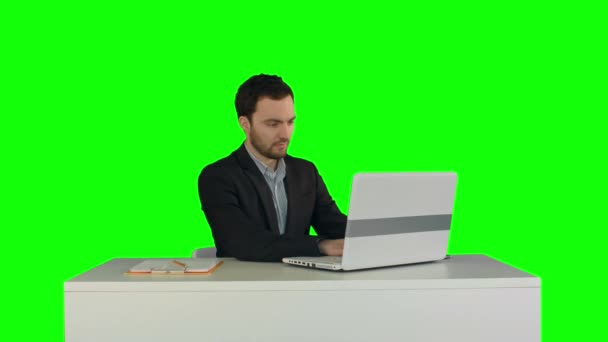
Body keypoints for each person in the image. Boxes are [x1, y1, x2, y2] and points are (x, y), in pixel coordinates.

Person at [198, 74, 346, 262]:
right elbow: (244, 242)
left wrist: (376, 232)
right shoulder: (217, 177)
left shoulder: (305, 172)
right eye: (273, 124)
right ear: (245, 124)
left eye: (290, 122)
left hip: (298, 282)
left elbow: (333, 225)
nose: (285, 134)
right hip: (242, 284)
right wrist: (320, 245)